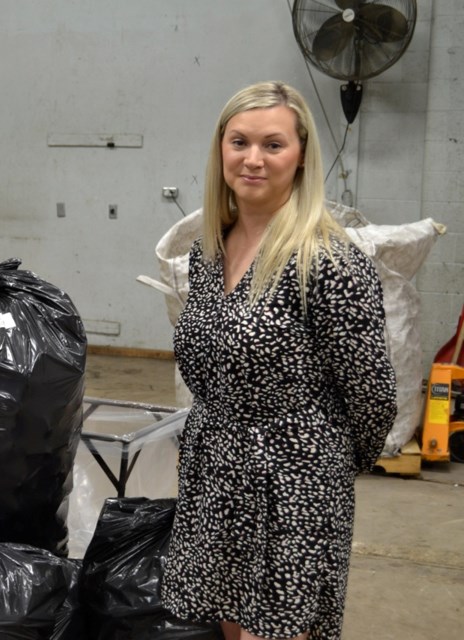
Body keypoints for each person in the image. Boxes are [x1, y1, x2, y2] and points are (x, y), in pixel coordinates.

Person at [160, 81, 397, 640]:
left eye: (273, 145)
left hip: (293, 484)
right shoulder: (208, 250)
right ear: (220, 149)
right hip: (215, 471)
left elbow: (373, 395)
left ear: (302, 155)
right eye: (239, 142)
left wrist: (322, 465)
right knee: (229, 627)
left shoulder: (329, 261)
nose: (253, 159)